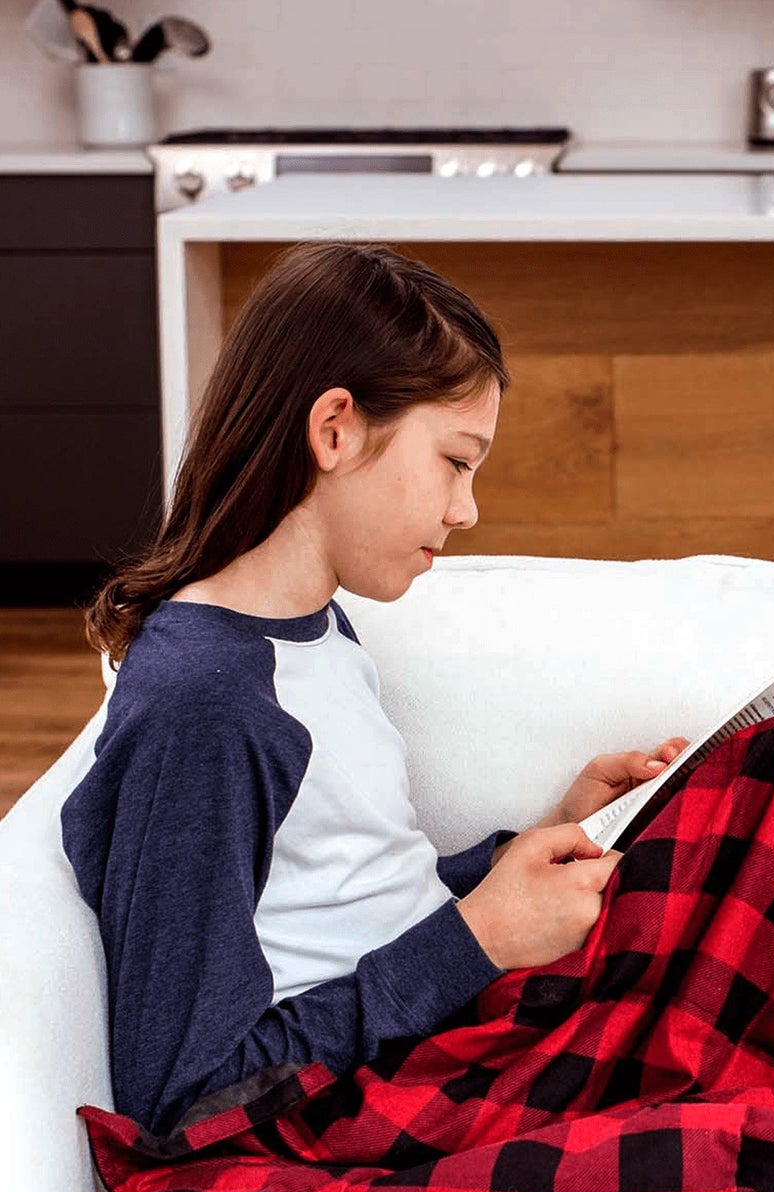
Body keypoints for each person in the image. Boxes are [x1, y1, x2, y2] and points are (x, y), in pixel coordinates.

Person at [63, 240, 689, 1139]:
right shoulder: (205, 704)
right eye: (456, 461)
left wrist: (547, 840)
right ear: (335, 431)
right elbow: (181, 1092)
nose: (466, 509)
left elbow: (357, 905)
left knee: (765, 788)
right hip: (403, 1080)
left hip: (457, 1022)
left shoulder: (321, 631)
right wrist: (478, 942)